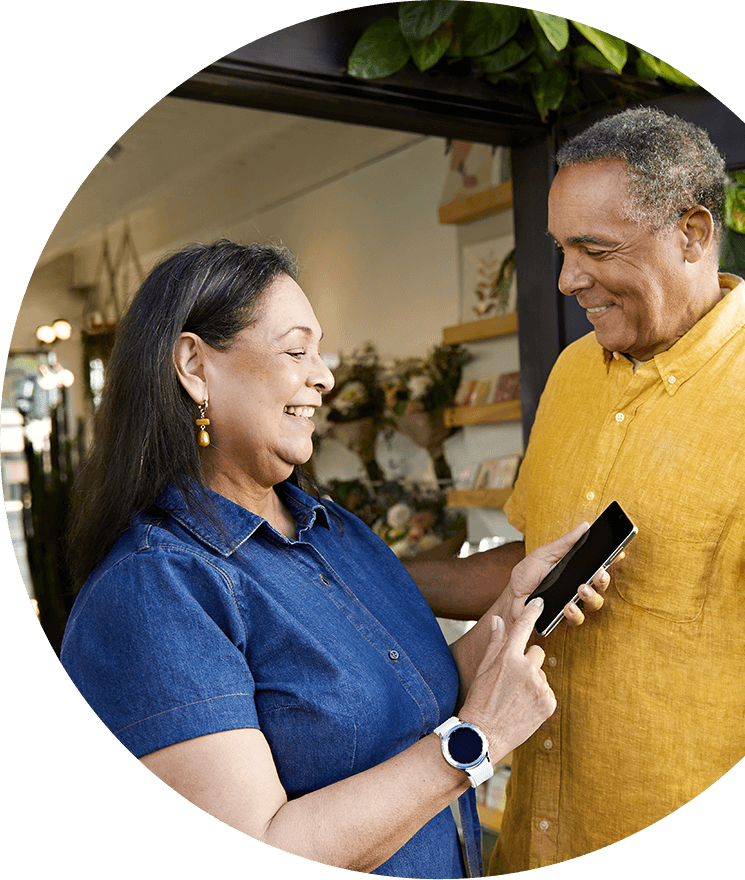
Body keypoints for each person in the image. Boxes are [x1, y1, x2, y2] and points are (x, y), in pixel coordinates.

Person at [408, 107, 745, 868]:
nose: (567, 280)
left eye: (594, 249)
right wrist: (374, 574)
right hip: (536, 839)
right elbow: (532, 563)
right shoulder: (571, 375)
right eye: (562, 249)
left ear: (694, 232)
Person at [59, 239, 611, 877]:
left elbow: (416, 693)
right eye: (296, 350)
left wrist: (515, 609)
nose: (323, 375)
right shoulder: (153, 588)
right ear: (193, 364)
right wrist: (475, 744)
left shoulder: (332, 530)